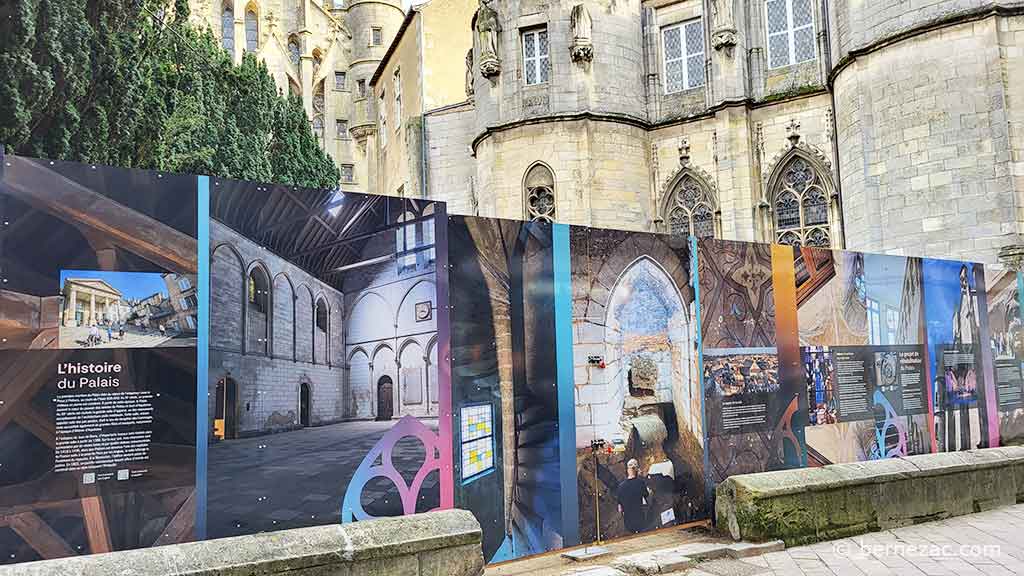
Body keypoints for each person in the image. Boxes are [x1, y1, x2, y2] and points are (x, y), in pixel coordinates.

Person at [616, 459, 650, 534]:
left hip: (628, 523)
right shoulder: (640, 483)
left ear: (628, 470)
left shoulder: (621, 486)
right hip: (640, 520)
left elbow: (620, 508)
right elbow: (646, 495)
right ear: (637, 469)